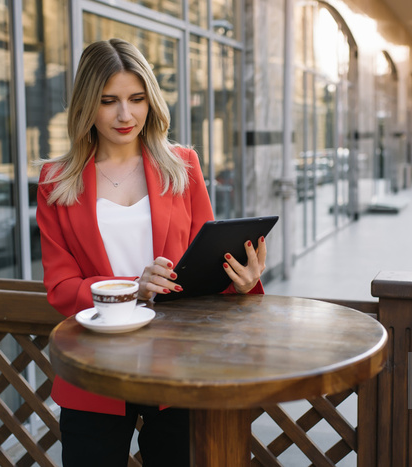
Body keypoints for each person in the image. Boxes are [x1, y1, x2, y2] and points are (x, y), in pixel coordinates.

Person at [36, 38, 267, 466]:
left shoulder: (182, 166)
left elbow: (207, 265)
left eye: (137, 99)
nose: (126, 115)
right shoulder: (55, 182)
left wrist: (242, 282)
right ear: (87, 104)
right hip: (95, 367)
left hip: (178, 363)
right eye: (109, 101)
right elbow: (61, 289)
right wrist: (132, 287)